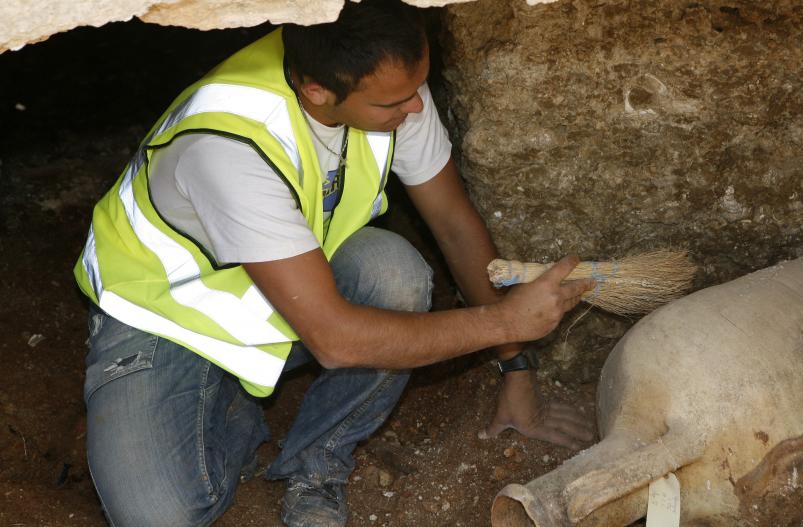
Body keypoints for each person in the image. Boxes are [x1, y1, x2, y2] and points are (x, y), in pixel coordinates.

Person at [73, 0, 595, 525]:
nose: (415, 108)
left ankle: (316, 464)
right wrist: (508, 320)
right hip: (168, 314)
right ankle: (222, 399)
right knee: (159, 516)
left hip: (294, 281)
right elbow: (337, 340)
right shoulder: (228, 146)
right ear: (317, 91)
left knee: (394, 274)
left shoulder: (382, 78)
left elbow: (454, 225)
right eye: (395, 101)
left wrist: (516, 367)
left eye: (419, 87)